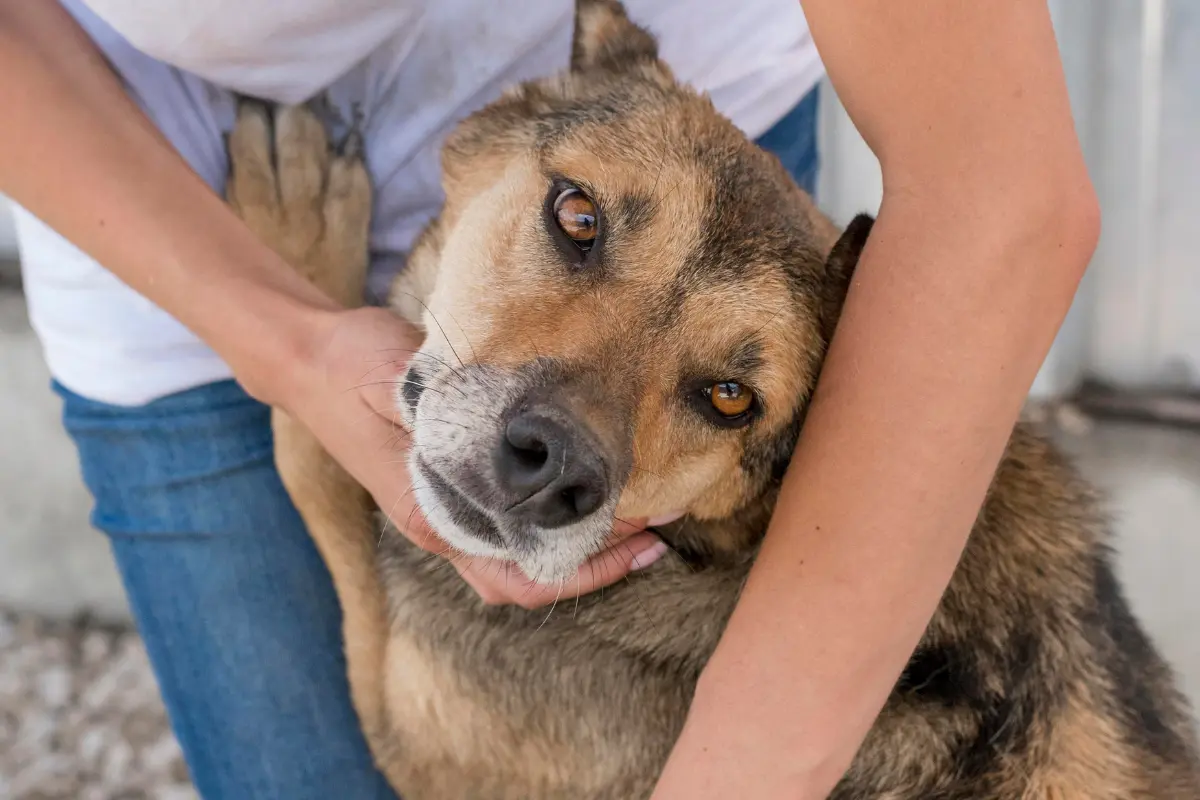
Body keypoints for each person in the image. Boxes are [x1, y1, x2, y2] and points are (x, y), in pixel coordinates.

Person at [0, 1, 1098, 798]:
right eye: (583, 229)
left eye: (723, 396)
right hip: (135, 142)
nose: (575, 440)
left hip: (666, 83)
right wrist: (287, 348)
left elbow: (1001, 197)